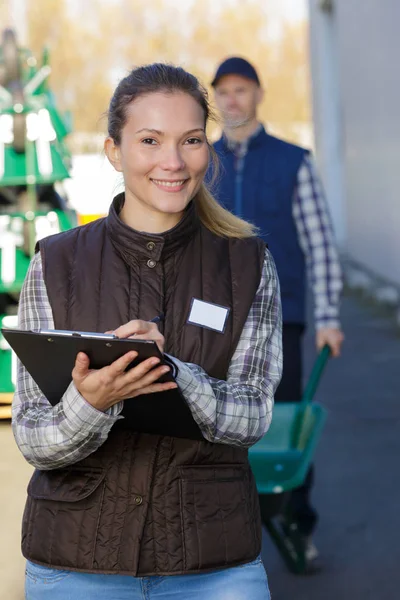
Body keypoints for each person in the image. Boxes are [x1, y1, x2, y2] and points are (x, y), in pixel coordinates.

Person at [12, 63, 282, 600]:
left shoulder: (248, 263)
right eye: (150, 140)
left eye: (191, 140)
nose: (173, 162)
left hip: (214, 563)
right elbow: (33, 437)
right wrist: (91, 404)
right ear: (114, 150)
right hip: (76, 563)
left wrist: (175, 374)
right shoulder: (56, 262)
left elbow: (253, 415)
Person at [210, 56, 344, 571]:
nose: (232, 100)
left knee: (284, 427)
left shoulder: (293, 161)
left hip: (280, 322)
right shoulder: (204, 162)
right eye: (223, 91)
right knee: (219, 423)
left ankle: (294, 521)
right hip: (217, 323)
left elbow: (321, 245)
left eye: (242, 90)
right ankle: (229, 528)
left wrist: (328, 316)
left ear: (258, 95)